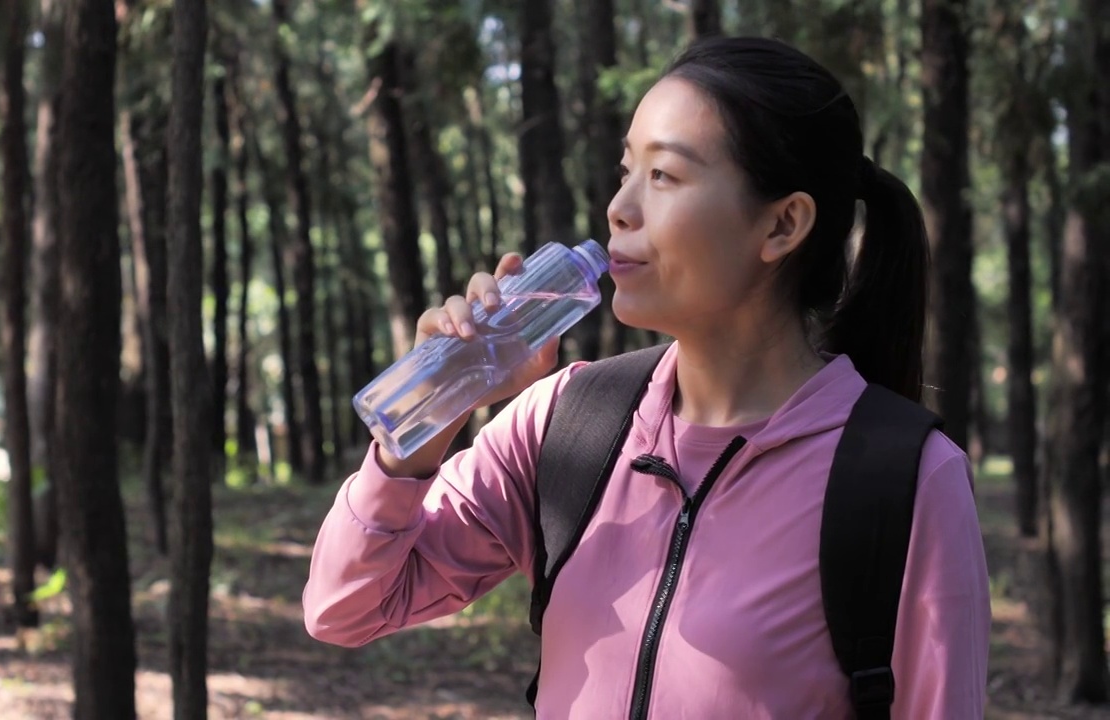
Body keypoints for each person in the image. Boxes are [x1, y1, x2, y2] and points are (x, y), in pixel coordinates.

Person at [303, 36, 990, 718]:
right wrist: (435, 402)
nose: (620, 208)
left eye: (663, 176)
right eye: (626, 171)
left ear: (783, 225)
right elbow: (345, 608)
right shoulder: (568, 422)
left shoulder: (906, 479)